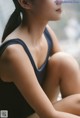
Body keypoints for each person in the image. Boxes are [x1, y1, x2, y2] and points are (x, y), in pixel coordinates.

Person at [0, 0, 80, 118]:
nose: (60, 0)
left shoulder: (46, 32)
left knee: (64, 61)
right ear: (25, 2)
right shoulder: (14, 53)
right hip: (34, 115)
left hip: (39, 112)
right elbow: (49, 115)